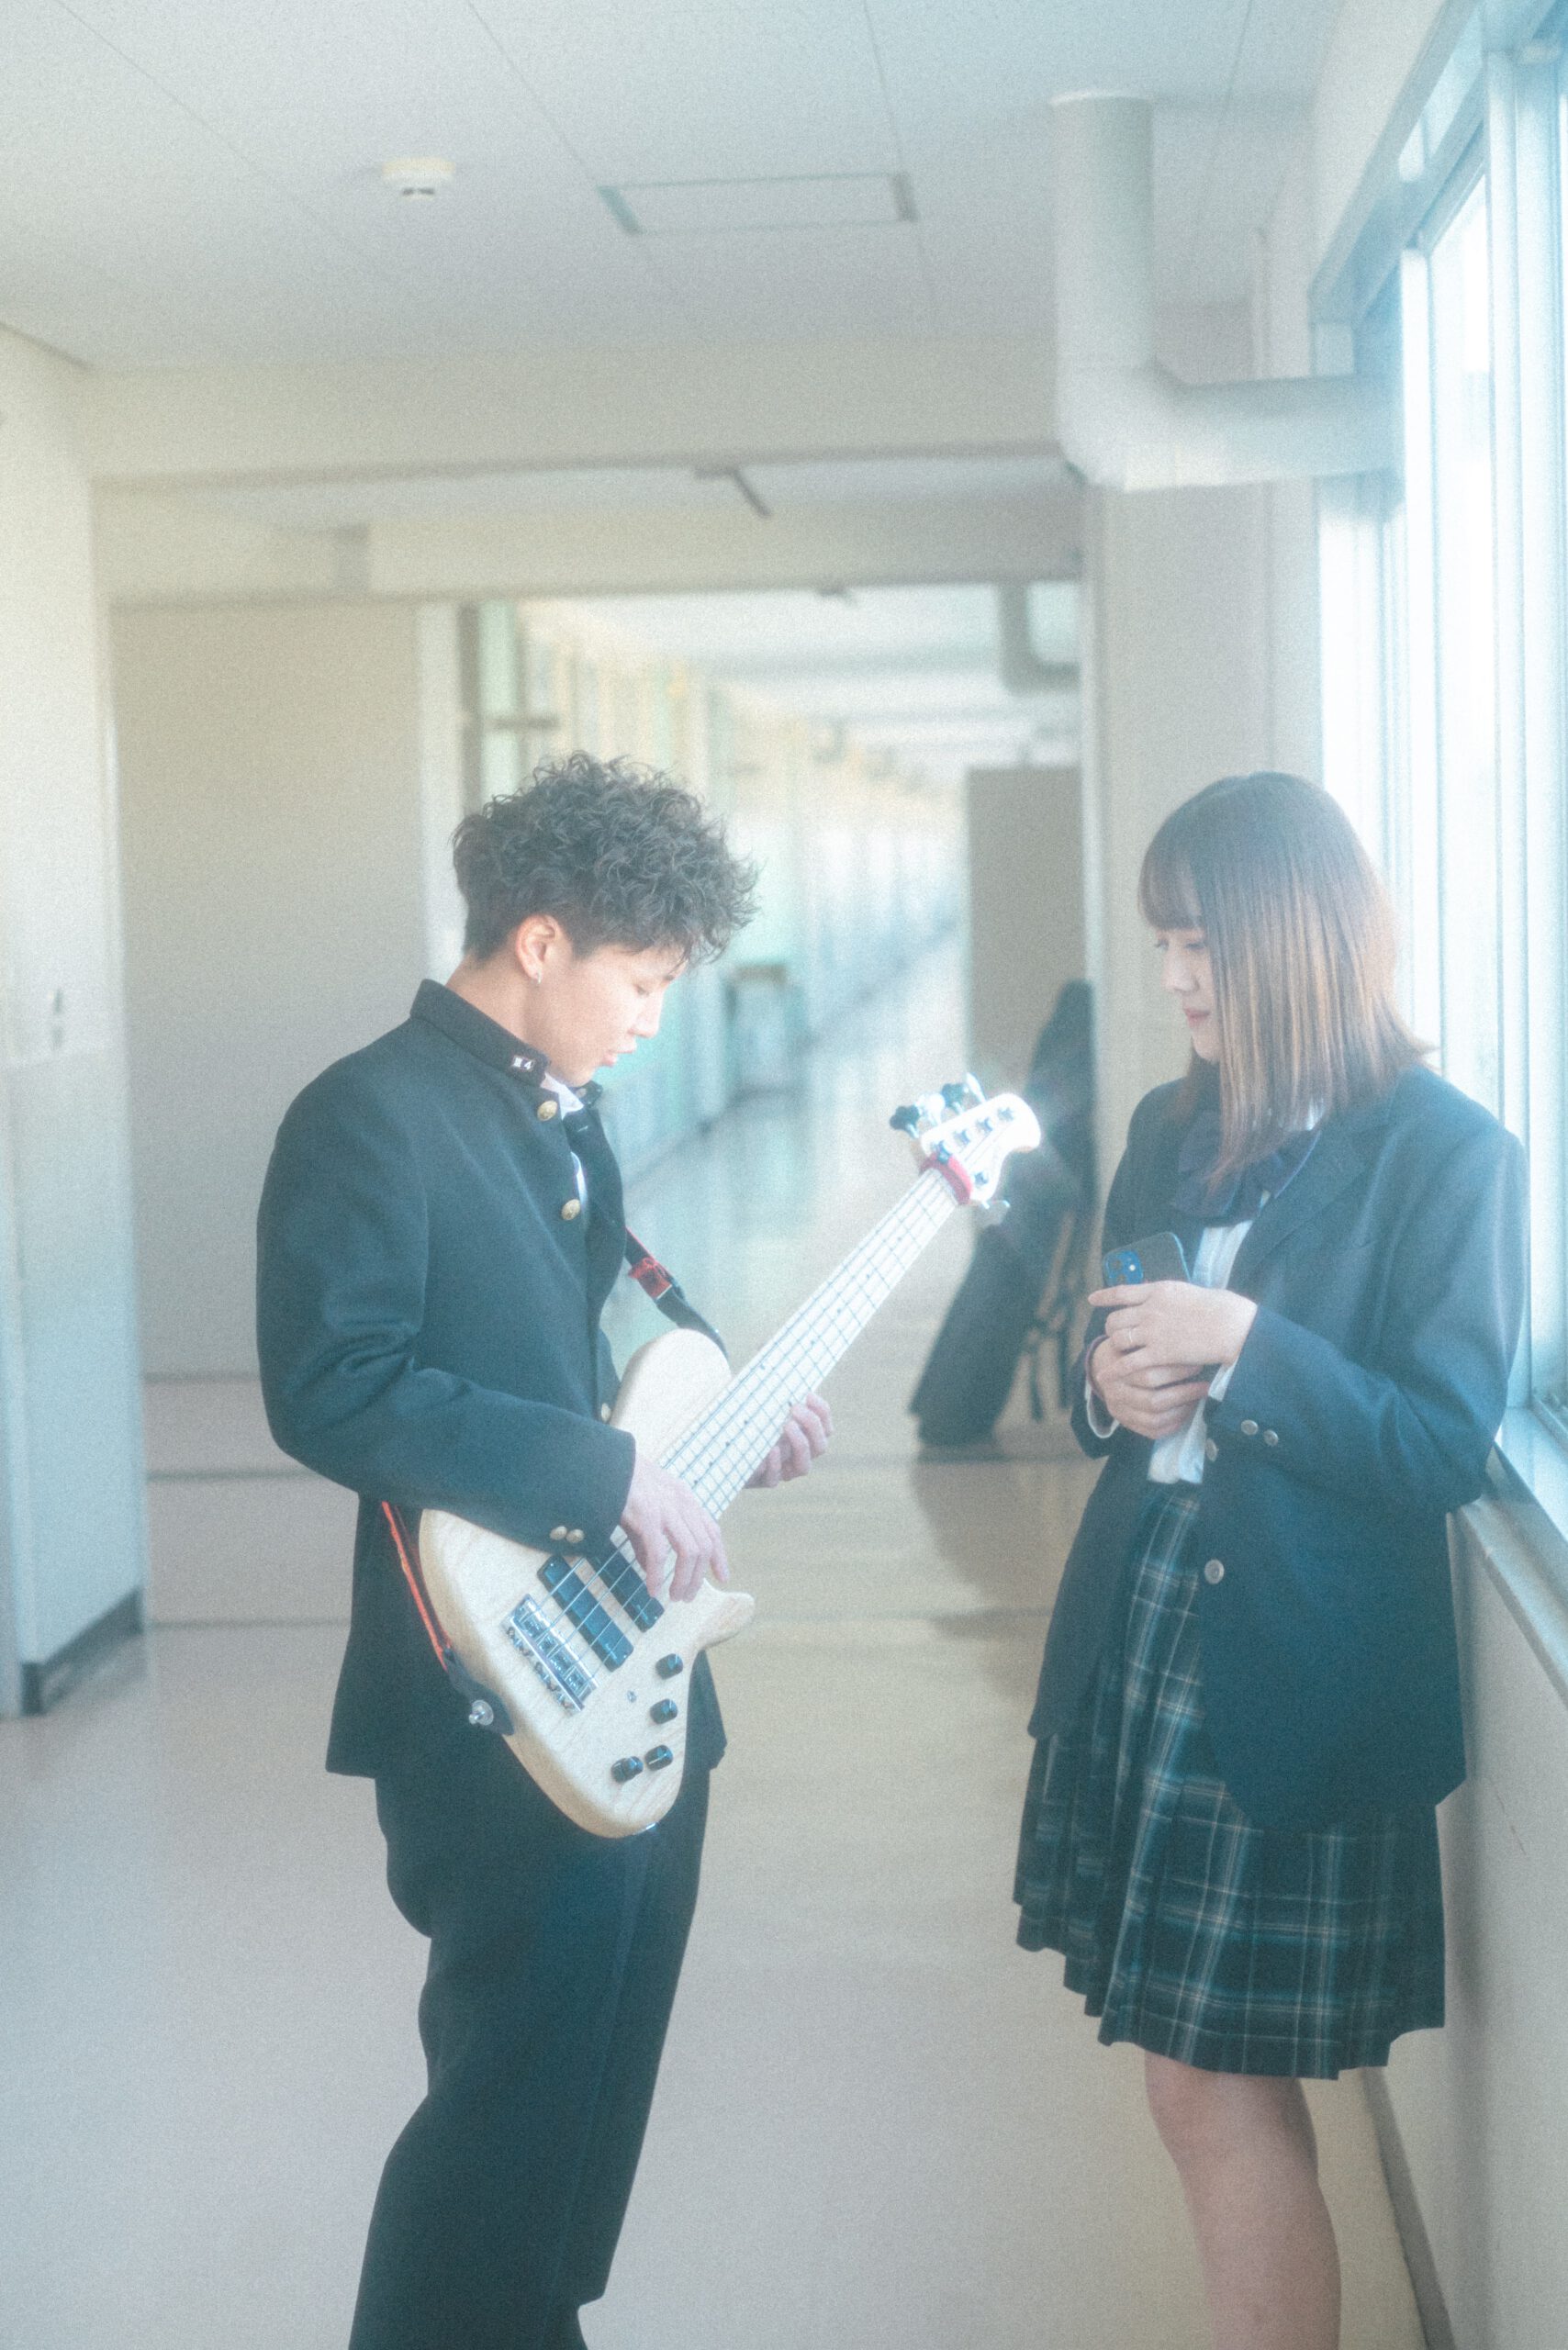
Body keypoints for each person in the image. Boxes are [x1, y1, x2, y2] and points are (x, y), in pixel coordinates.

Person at [257, 755, 831, 2350]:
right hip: (481, 1686)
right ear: (538, 941)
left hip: (620, 1665)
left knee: (580, 2118)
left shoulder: (557, 1120)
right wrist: (598, 1472)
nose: (654, 1017)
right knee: (505, 2120)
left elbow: (577, 1372)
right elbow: (333, 1385)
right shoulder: (367, 1115)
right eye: (642, 982)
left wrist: (715, 1434)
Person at [1014, 772, 1525, 2350]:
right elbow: (1112, 1369)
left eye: (1200, 945)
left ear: (1293, 937)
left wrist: (1248, 1343)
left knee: (1205, 2081)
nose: (1175, 980)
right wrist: (1113, 1393)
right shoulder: (1170, 1129)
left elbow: (1442, 1444)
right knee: (1192, 2078)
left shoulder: (1449, 1153)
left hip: (1292, 1656)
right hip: (1150, 1615)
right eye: (1166, 944)